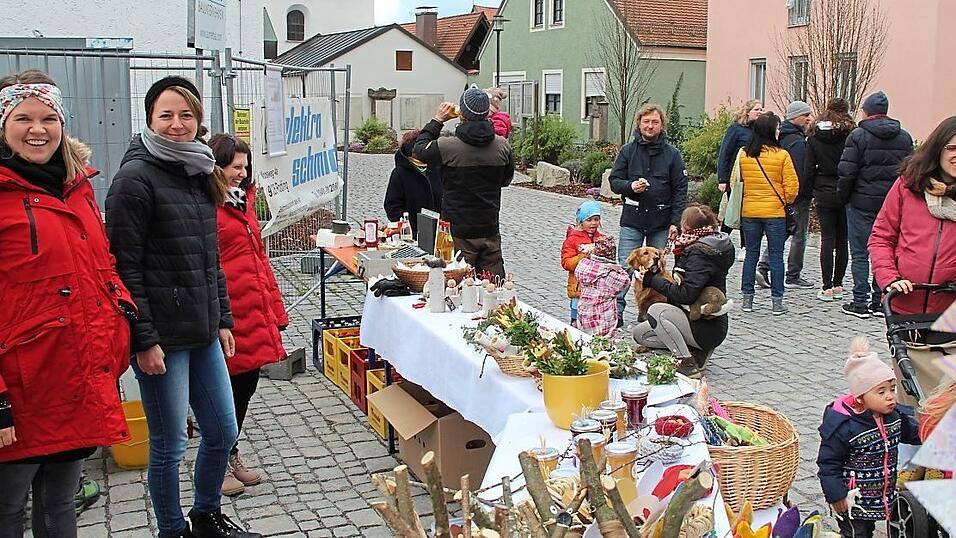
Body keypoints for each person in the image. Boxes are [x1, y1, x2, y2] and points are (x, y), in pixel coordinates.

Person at [106, 76, 260, 538]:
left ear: (199, 121)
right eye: (166, 115)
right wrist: (143, 340)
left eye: (186, 115)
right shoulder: (134, 179)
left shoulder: (199, 171)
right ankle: (172, 530)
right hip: (162, 339)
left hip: (203, 329)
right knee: (171, 445)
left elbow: (210, 258)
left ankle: (206, 516)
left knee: (222, 431)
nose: (177, 124)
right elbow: (123, 269)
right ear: (149, 119)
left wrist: (224, 318)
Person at [0, 69, 136, 537]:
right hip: (21, 389)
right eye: (23, 119)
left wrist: (122, 321)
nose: (37, 130)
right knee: (7, 507)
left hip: (77, 377)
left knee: (60, 503)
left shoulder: (77, 187)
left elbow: (103, 267)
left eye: (49, 118)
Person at [209, 134, 289, 497]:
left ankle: (230, 451)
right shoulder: (208, 207)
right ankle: (217, 463)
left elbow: (258, 261)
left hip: (252, 310)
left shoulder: (242, 202)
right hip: (228, 313)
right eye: (234, 166)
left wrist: (274, 309)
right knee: (223, 393)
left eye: (245, 166)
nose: (241, 173)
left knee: (244, 388)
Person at [817, 338, 921, 538]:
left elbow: (914, 433)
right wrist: (837, 495)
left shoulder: (895, 417)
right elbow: (828, 464)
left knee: (868, 531)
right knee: (857, 534)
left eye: (892, 389)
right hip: (852, 499)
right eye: (881, 392)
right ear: (860, 398)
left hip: (879, 496)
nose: (890, 396)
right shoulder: (845, 427)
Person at [413, 85, 514, 278]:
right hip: (489, 228)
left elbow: (418, 149)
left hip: (457, 231)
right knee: (494, 286)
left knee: (456, 285)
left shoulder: (447, 146)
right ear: (487, 113)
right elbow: (505, 180)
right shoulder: (502, 145)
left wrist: (437, 120)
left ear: (462, 114)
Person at [868, 116, 956, 316]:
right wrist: (890, 278)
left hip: (950, 311)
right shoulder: (908, 185)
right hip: (904, 303)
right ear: (938, 148)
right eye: (952, 148)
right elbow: (881, 238)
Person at [633, 204, 734, 378]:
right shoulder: (704, 244)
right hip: (700, 320)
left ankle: (687, 363)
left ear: (687, 226)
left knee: (656, 311)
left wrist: (652, 280)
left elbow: (686, 295)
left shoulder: (700, 253)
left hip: (704, 324)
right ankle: (696, 351)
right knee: (640, 334)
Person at [608, 104, 689, 322]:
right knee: (624, 268)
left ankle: (654, 315)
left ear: (662, 125)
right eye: (646, 122)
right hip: (633, 219)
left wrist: (676, 222)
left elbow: (680, 190)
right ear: (639, 124)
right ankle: (617, 314)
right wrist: (630, 186)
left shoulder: (673, 154)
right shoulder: (627, 151)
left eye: (655, 122)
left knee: (658, 269)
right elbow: (614, 181)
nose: (650, 126)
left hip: (661, 221)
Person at [837, 91, 913, 319]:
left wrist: (843, 197)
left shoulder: (858, 136)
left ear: (866, 111)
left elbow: (847, 171)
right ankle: (880, 299)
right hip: (892, 204)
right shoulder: (904, 137)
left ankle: (860, 301)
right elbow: (910, 172)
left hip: (861, 202)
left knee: (860, 253)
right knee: (886, 250)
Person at [736, 112, 799, 315]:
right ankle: (777, 302)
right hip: (775, 212)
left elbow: (737, 182)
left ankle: (747, 300)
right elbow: (792, 188)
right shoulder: (782, 155)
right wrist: (784, 201)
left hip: (750, 210)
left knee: (751, 254)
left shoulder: (744, 154)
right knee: (776, 255)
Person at [756, 100, 814, 289]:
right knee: (799, 234)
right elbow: (800, 172)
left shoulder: (781, 136)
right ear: (796, 117)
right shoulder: (797, 141)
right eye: (806, 115)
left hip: (779, 192)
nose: (809, 119)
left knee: (783, 230)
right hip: (796, 194)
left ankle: (763, 266)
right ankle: (792, 275)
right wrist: (805, 192)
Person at [806, 98, 855, 302]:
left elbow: (809, 168)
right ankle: (838, 284)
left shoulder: (814, 136)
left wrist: (810, 190)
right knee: (843, 239)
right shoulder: (851, 134)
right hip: (846, 189)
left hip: (823, 189)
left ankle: (826, 286)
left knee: (827, 238)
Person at [718, 99, 764, 256]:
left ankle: (744, 247)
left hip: (753, 178)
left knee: (747, 212)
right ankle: (722, 239)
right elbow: (725, 153)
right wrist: (722, 179)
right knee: (733, 210)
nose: (760, 112)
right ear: (748, 112)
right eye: (757, 109)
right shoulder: (736, 129)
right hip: (736, 178)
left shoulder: (759, 131)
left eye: (761, 109)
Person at [383, 129, 442, 237]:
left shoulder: (437, 169)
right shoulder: (400, 173)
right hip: (412, 234)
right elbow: (392, 205)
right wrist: (406, 227)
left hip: (440, 232)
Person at [574, 235, 630, 337]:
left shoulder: (583, 267)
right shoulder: (610, 275)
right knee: (601, 342)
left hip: (583, 316)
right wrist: (616, 267)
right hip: (602, 319)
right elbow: (625, 281)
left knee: (585, 338)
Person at [561, 200, 605, 326]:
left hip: (596, 285)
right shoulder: (572, 240)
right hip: (578, 286)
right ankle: (574, 323)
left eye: (596, 219)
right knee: (577, 309)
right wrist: (582, 257)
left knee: (594, 312)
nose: (593, 223)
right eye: (589, 220)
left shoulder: (601, 238)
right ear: (581, 221)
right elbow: (566, 262)